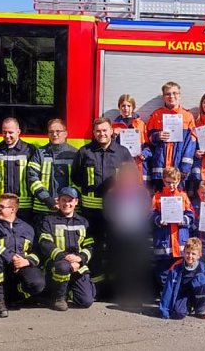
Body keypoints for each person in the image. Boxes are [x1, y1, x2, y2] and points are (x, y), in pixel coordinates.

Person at [72, 117, 132, 286]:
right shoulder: (84, 152)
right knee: (94, 247)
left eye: (105, 130)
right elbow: (75, 177)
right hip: (91, 212)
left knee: (116, 246)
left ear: (111, 131)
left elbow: (131, 177)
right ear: (94, 133)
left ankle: (114, 286)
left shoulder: (122, 152)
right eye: (98, 131)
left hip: (116, 211)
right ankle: (96, 285)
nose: (102, 134)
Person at [0, 193, 46, 318]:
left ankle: (15, 296)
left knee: (37, 284)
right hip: (1, 267)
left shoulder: (27, 228)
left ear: (13, 209)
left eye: (1, 207)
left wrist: (28, 261)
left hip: (20, 268)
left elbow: (37, 251)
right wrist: (10, 256)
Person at [37, 187, 96, 311]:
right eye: (64, 200)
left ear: (76, 202)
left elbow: (89, 246)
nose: (67, 204)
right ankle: (59, 297)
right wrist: (64, 257)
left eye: (70, 201)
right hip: (57, 262)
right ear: (58, 201)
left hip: (78, 265)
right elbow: (45, 243)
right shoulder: (49, 220)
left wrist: (80, 260)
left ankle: (69, 289)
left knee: (86, 302)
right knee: (63, 267)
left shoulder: (83, 222)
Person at [104, 162, 153, 307]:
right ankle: (124, 294)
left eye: (130, 174)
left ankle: (136, 294)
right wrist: (117, 218)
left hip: (137, 233)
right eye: (124, 174)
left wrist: (139, 219)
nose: (127, 177)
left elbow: (148, 211)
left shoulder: (142, 192)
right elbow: (107, 212)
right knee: (122, 265)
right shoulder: (112, 192)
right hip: (120, 233)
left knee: (138, 264)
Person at [146, 81, 197, 190]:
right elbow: (148, 137)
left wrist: (185, 168)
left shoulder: (187, 116)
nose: (171, 96)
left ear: (179, 96)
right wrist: (157, 136)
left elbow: (191, 144)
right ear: (163, 97)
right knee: (160, 200)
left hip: (178, 169)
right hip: (160, 168)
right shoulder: (156, 115)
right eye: (168, 94)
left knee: (179, 201)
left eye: (175, 93)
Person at [150, 167, 195, 286]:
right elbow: (150, 215)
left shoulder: (183, 196)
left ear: (179, 181)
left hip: (180, 243)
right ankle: (165, 297)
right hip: (164, 243)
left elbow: (191, 214)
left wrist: (184, 220)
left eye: (174, 182)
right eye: (168, 182)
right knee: (162, 274)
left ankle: (175, 298)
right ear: (163, 181)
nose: (171, 185)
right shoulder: (157, 197)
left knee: (180, 273)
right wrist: (159, 220)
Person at [28, 119, 77, 217]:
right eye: (51, 132)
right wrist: (46, 199)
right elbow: (32, 177)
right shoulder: (40, 153)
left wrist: (67, 200)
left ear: (65, 133)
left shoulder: (75, 154)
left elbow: (80, 181)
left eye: (58, 131)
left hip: (68, 209)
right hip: (43, 208)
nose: (54, 134)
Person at [0, 118, 36, 222]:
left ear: (18, 132)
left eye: (10, 132)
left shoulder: (29, 150)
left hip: (23, 205)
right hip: (1, 205)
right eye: (4, 132)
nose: (7, 136)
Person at [159, 238, 205, 320]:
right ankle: (189, 306)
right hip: (183, 294)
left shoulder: (203, 266)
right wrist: (164, 310)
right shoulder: (175, 267)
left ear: (199, 255)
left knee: (203, 280)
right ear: (184, 252)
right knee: (179, 314)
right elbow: (168, 288)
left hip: (198, 292)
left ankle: (200, 309)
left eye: (193, 254)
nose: (190, 256)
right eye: (188, 253)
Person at [112, 94, 152, 183]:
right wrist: (113, 136)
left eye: (129, 106)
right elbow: (109, 148)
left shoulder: (141, 124)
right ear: (119, 107)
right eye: (123, 106)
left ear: (133, 107)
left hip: (139, 164)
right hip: (122, 164)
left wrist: (144, 154)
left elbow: (148, 146)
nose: (126, 108)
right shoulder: (114, 126)